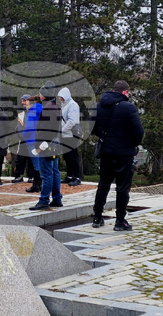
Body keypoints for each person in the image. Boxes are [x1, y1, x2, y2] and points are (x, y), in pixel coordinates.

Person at [91, 80, 144, 231]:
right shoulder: (128, 107)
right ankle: (120, 220)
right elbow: (138, 131)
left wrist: (105, 137)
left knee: (103, 185)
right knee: (122, 188)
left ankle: (97, 217)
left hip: (106, 151)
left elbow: (93, 128)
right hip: (124, 153)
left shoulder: (99, 106)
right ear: (125, 92)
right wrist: (132, 143)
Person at [28, 82, 63, 211]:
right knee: (54, 172)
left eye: (40, 92)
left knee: (46, 174)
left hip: (46, 145)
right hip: (55, 143)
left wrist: (39, 145)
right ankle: (57, 198)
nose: (39, 94)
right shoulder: (56, 106)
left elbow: (45, 129)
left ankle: (43, 200)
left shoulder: (48, 108)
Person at [12, 94, 41, 191]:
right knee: (21, 157)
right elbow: (19, 123)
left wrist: (24, 134)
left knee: (33, 160)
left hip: (29, 138)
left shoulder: (31, 112)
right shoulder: (22, 111)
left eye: (24, 101)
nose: (22, 103)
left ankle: (33, 178)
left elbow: (30, 127)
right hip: (26, 138)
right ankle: (19, 175)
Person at [58, 88, 83, 186]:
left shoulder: (72, 105)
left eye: (61, 97)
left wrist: (62, 130)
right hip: (64, 135)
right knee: (67, 156)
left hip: (71, 135)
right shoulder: (64, 105)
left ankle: (76, 177)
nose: (60, 99)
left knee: (73, 156)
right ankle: (69, 176)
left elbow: (72, 121)